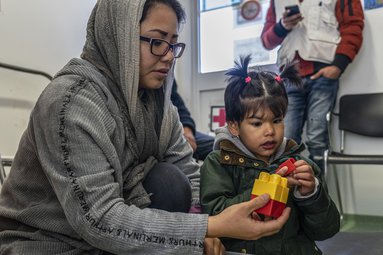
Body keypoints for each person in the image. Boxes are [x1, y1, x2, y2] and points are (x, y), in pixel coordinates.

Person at [0, 1, 291, 254]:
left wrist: (210, 226)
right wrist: (207, 227)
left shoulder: (157, 106)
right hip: (51, 243)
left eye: (173, 43)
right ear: (119, 35)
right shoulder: (70, 101)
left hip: (104, 242)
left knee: (170, 180)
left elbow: (188, 173)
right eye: (156, 41)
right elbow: (98, 218)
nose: (167, 55)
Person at [200, 55, 340, 254]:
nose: (270, 131)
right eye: (257, 123)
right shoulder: (219, 163)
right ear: (233, 126)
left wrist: (311, 194)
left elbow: (327, 229)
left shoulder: (300, 164)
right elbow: (216, 217)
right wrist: (267, 186)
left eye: (277, 120)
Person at [260, 0, 364, 172]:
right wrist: (282, 26)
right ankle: (287, 196)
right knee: (285, 139)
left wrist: (339, 64)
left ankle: (316, 195)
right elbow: (266, 41)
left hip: (322, 73)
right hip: (289, 76)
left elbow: (353, 25)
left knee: (317, 138)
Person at [171, 80, 214, 161]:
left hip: (177, 130)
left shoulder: (167, 78)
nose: (167, 66)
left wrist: (187, 132)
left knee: (223, 147)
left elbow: (180, 109)